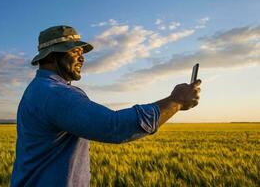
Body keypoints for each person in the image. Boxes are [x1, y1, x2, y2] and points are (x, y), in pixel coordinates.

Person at [10, 25, 201, 187]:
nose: (82, 57)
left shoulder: (37, 89)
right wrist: (175, 102)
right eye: (75, 51)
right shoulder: (55, 94)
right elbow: (114, 127)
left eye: (82, 52)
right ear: (51, 56)